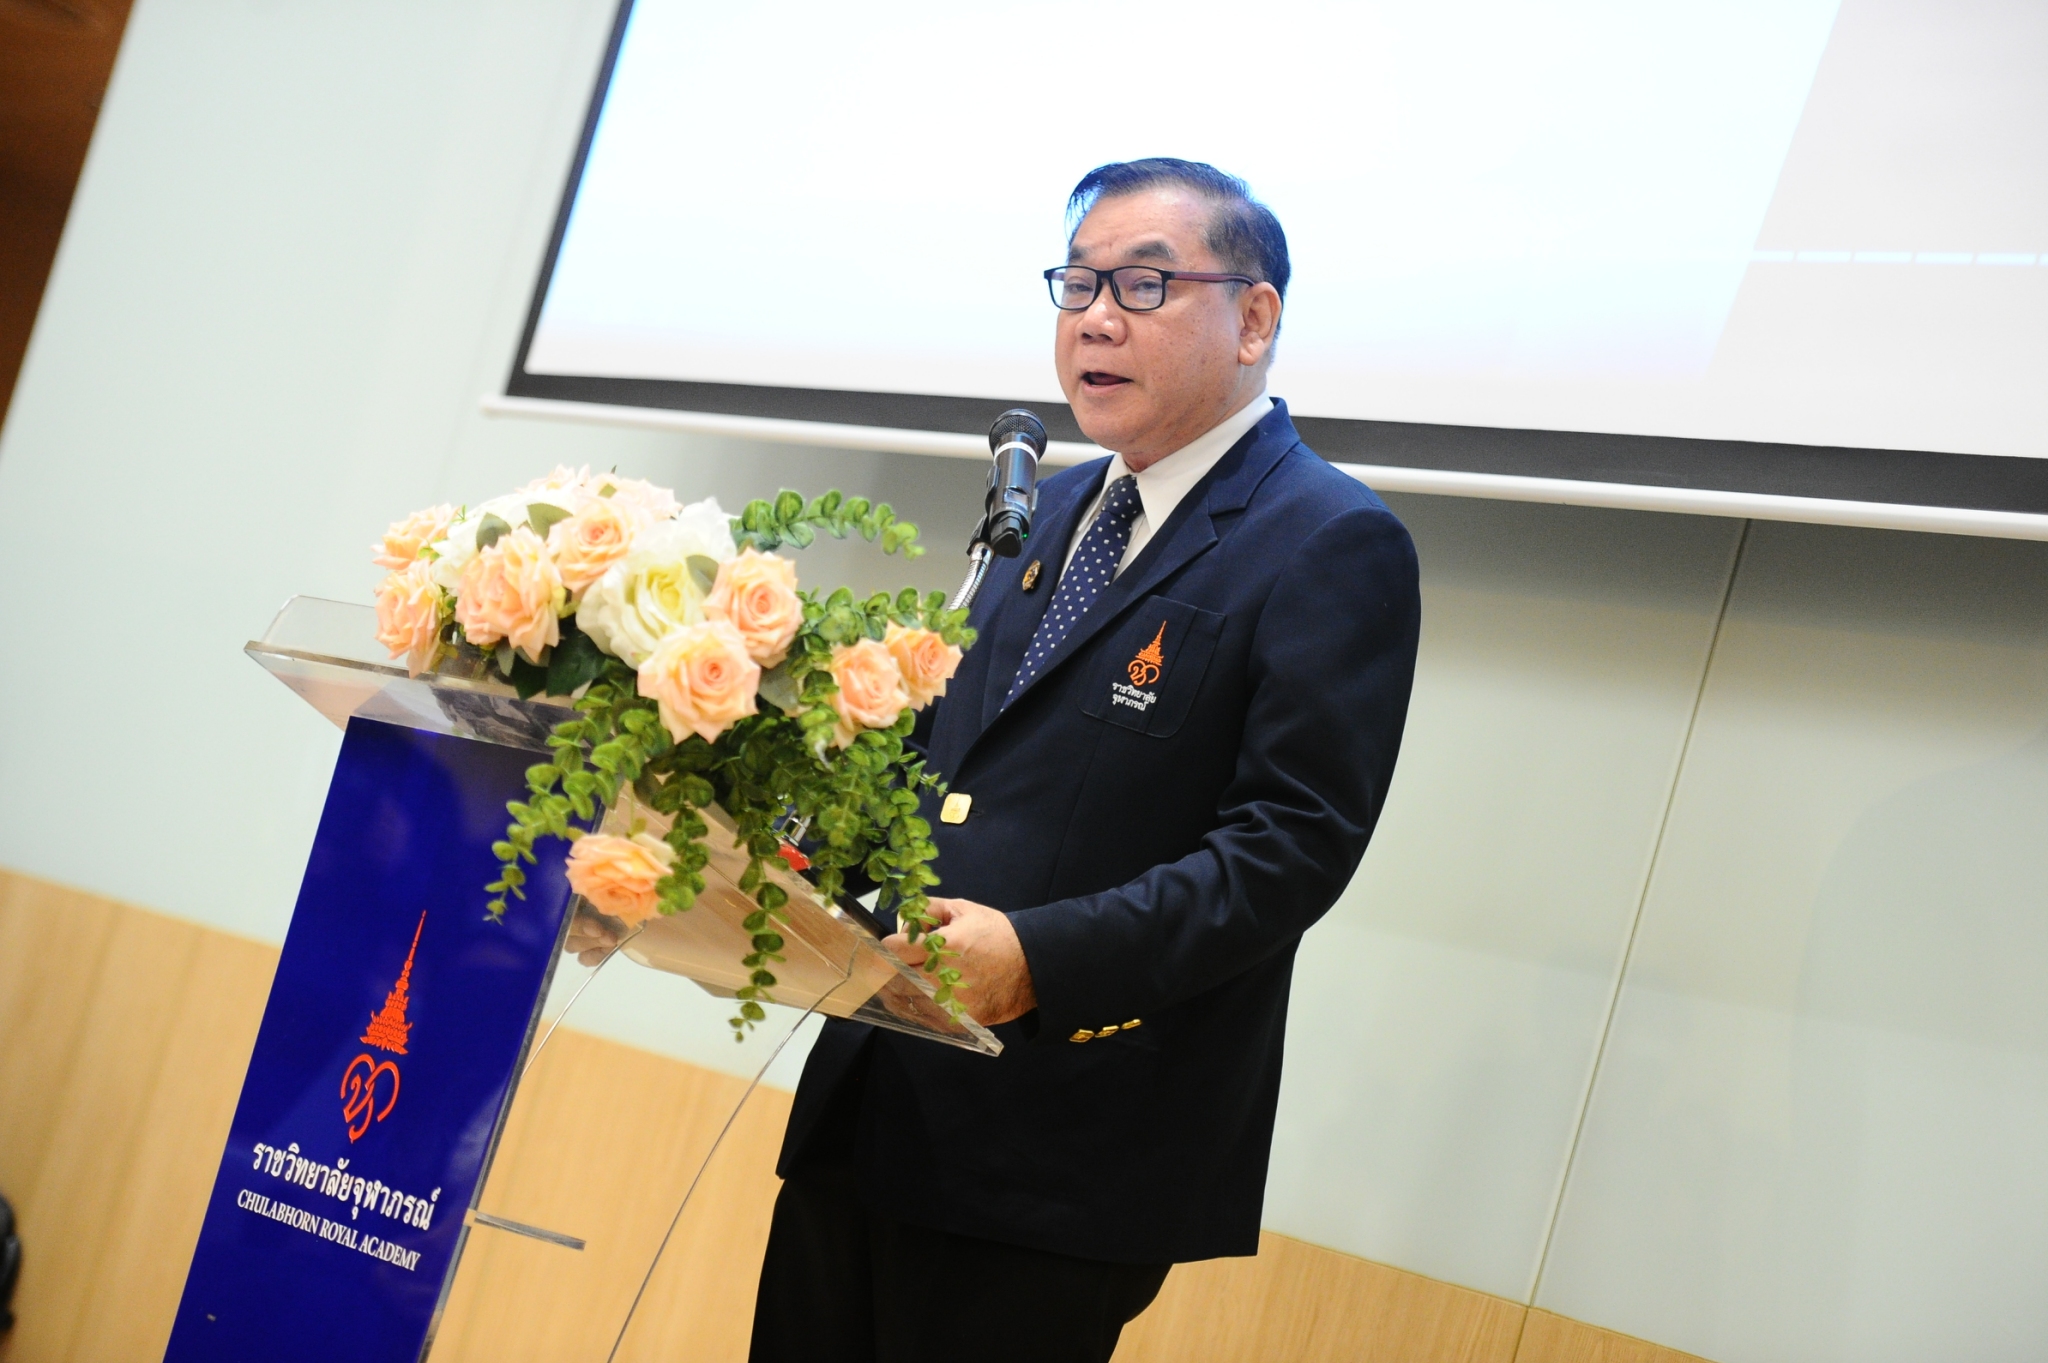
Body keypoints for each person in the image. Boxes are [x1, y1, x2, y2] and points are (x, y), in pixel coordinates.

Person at [749, 158, 1421, 1363]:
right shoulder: (1045, 512)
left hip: (1061, 1141)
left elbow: (1289, 849)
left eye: (1144, 284)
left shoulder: (1328, 539)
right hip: (880, 1091)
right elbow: (934, 761)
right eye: (1077, 283)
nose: (1096, 318)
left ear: (1253, 319)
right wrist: (750, 859)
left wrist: (1039, 959)